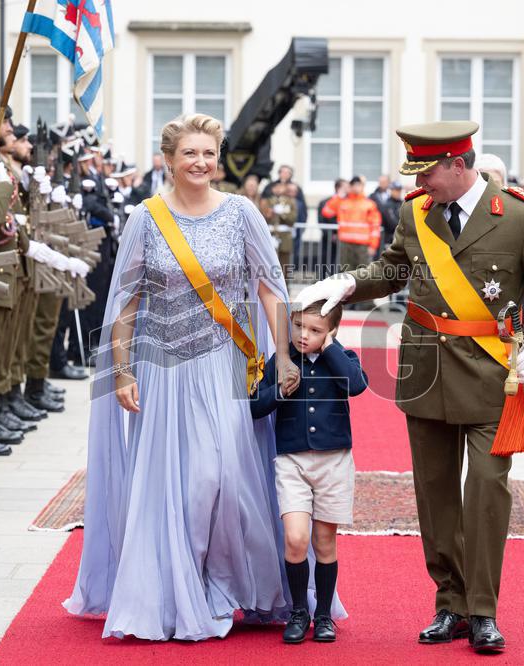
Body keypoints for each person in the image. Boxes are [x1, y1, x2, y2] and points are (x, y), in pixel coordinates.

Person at [295, 120, 524, 654]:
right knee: (436, 495)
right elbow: (394, 272)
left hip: (496, 375)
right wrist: (351, 283)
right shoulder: (415, 212)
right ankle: (450, 604)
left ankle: (483, 610)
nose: (420, 184)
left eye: (428, 172)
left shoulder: (518, 215)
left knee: (487, 490)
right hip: (426, 373)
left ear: (456, 165)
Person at [65, 113, 336, 640]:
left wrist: (282, 357)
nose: (200, 162)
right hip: (164, 369)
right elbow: (124, 302)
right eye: (190, 153)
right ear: (169, 160)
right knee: (174, 484)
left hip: (226, 369)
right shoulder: (146, 217)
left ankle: (227, 583)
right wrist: (121, 371)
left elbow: (271, 288)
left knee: (222, 479)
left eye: (208, 154)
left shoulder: (241, 214)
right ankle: (178, 592)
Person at [250, 300, 367, 644]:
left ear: (330, 331)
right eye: (299, 326)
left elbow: (356, 384)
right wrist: (279, 393)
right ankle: (299, 610)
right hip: (292, 461)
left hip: (334, 462)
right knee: (296, 538)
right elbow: (255, 404)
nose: (304, 335)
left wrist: (330, 346)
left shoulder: (341, 358)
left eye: (315, 330)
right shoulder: (282, 360)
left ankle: (324, 614)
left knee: (325, 542)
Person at [322, 176, 381, 309]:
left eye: (358, 185)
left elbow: (375, 226)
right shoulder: (342, 201)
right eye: (353, 185)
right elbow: (326, 212)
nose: (356, 187)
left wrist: (373, 245)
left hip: (362, 245)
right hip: (345, 244)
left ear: (362, 186)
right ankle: (346, 303)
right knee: (346, 274)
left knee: (364, 274)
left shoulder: (369, 204)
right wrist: (338, 196)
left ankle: (366, 303)